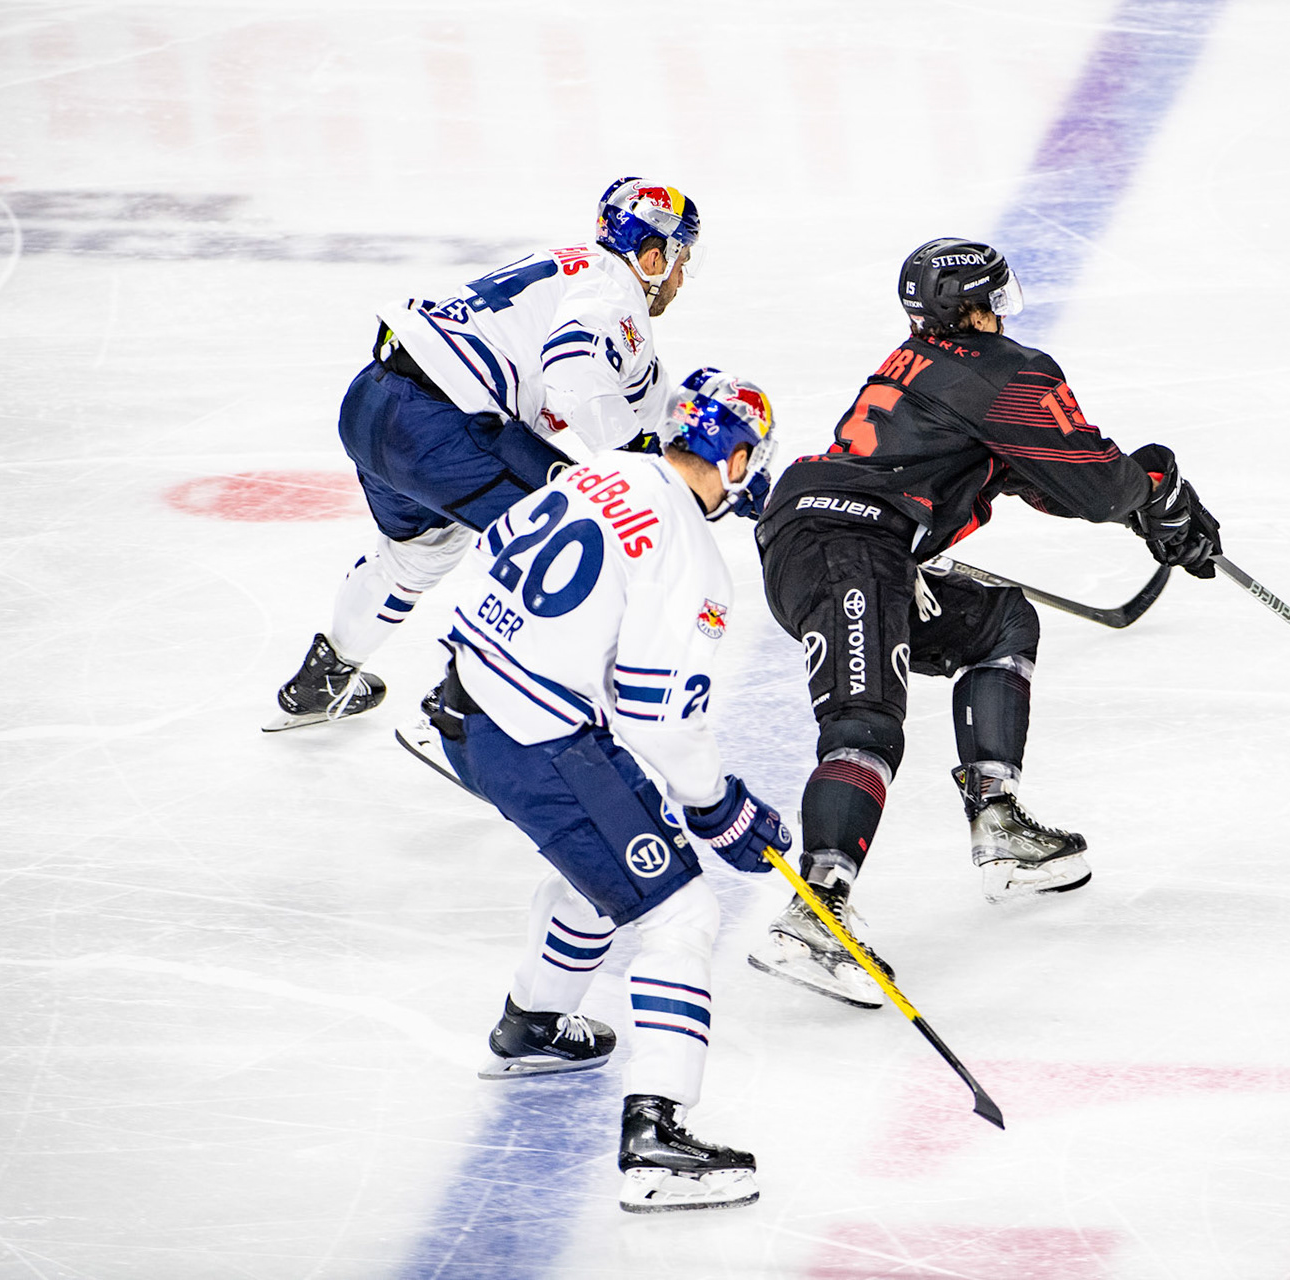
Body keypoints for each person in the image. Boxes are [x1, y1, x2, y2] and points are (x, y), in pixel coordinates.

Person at [746, 237, 1222, 1008]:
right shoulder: (1004, 372)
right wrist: (1156, 488)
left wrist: (1145, 508)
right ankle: (817, 911)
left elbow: (1040, 477)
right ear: (969, 304)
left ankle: (997, 821)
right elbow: (1096, 486)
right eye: (994, 296)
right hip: (850, 548)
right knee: (865, 725)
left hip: (845, 540)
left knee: (999, 623)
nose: (1003, 309)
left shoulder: (922, 362)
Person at [418, 368, 786, 1213]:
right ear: (732, 456)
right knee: (680, 912)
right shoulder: (690, 555)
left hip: (465, 706)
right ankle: (655, 1139)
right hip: (538, 740)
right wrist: (718, 808)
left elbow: (484, 564)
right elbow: (659, 720)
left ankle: (533, 1026)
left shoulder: (598, 472)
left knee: (610, 864)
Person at [265, 177, 703, 731]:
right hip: (438, 427)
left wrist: (707, 460)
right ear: (653, 255)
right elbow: (572, 368)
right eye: (682, 258)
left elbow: (649, 401)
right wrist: (634, 466)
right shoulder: (615, 296)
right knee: (575, 540)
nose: (684, 278)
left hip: (372, 402)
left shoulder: (574, 268)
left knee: (419, 553)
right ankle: (461, 714)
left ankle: (323, 678)